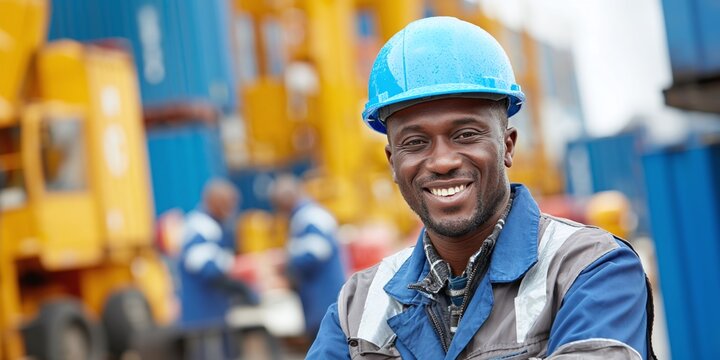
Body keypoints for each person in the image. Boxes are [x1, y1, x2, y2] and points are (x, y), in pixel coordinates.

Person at [307, 17, 656, 359]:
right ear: (392, 162)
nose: (442, 161)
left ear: (507, 145)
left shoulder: (590, 269)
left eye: (465, 135)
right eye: (415, 142)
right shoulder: (358, 305)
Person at [269, 174, 346, 340]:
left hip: (323, 296)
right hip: (319, 296)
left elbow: (316, 252)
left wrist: (287, 260)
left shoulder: (309, 217)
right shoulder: (307, 215)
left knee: (328, 342)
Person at [178, 178, 258, 326]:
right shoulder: (201, 227)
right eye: (228, 204)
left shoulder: (210, 225)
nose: (231, 210)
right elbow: (207, 269)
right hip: (203, 314)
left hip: (213, 309)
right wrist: (234, 269)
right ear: (214, 202)